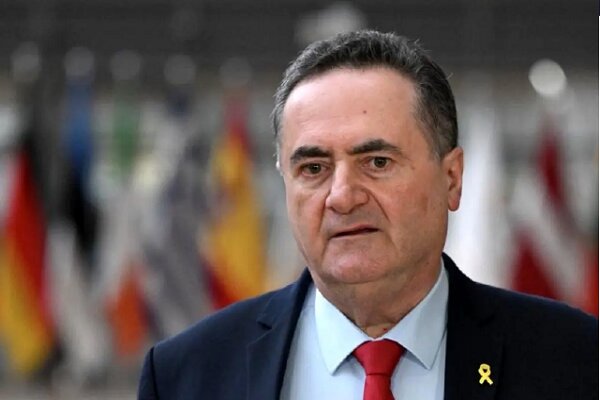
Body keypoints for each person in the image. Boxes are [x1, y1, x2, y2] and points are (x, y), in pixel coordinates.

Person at [138, 30, 598, 400]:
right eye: (313, 168)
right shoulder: (185, 375)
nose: (342, 196)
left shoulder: (577, 360)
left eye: (377, 162)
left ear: (452, 179)